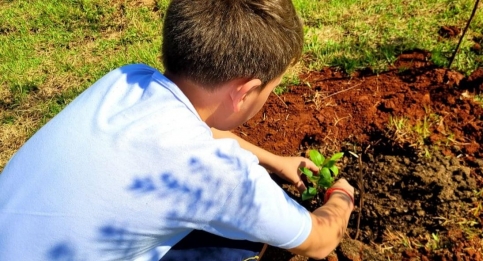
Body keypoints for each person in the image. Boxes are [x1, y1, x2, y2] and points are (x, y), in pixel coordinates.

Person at [0, 0, 355, 260]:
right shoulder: (219, 175)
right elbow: (320, 241)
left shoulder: (125, 80)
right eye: (270, 89)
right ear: (245, 91)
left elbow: (204, 134)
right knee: (239, 244)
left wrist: (276, 161)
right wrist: (341, 197)